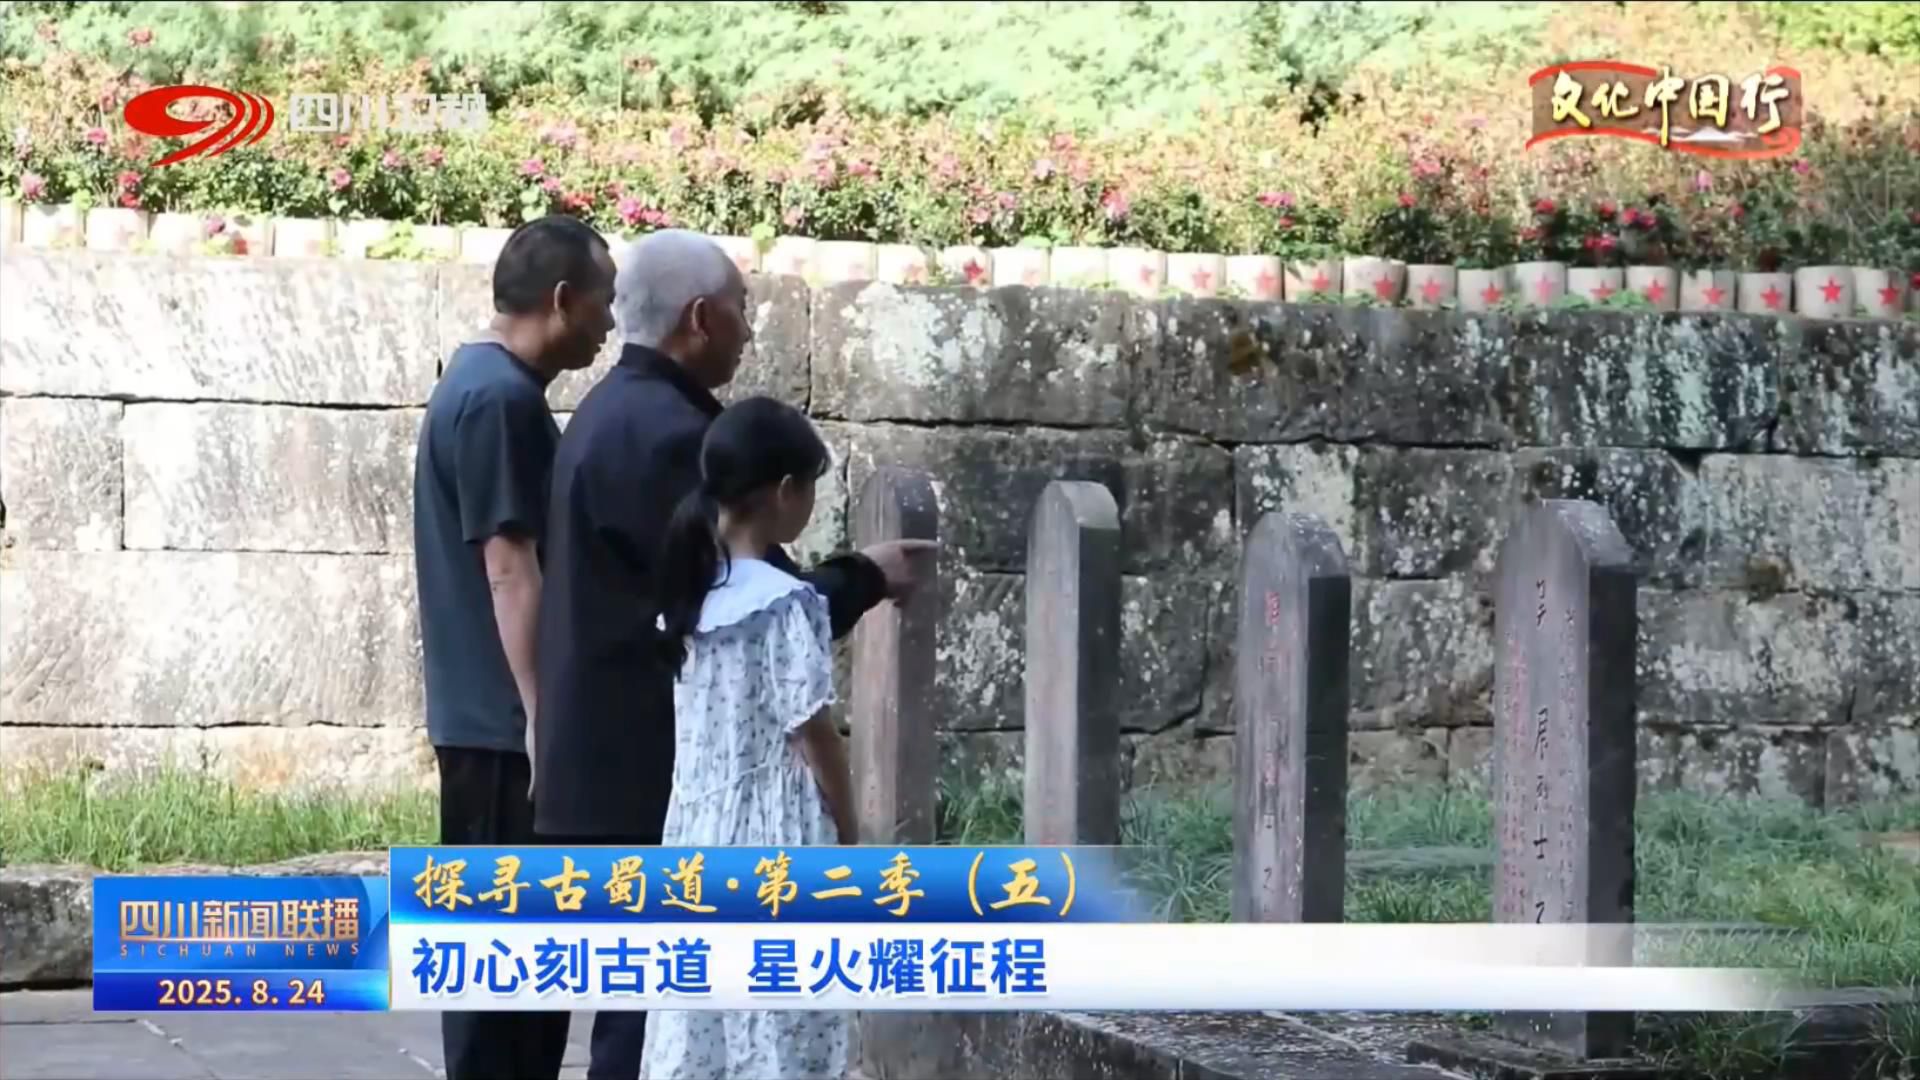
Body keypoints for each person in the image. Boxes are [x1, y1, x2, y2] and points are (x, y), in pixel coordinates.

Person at [531, 229, 933, 1079]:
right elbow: (761, 617)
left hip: (604, 763)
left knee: (647, 1011)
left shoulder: (603, 412)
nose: (750, 329)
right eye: (743, 310)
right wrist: (864, 577)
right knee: (659, 1023)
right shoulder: (674, 437)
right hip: (656, 770)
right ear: (701, 318)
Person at [411, 214, 615, 1080]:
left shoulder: (478, 382)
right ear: (562, 300)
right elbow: (509, 567)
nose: (610, 325)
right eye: (603, 302)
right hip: (505, 732)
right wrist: (543, 717)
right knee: (512, 983)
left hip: (484, 724)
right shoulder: (500, 401)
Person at [641, 396, 859, 1079]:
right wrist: (850, 828)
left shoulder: (691, 596)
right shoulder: (783, 602)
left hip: (697, 833)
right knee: (778, 1020)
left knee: (700, 1020)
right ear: (786, 491)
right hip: (775, 838)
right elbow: (813, 733)